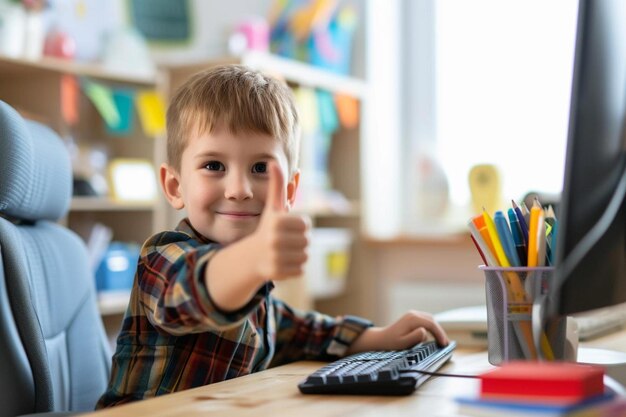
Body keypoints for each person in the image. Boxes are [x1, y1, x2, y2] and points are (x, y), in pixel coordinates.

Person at [96, 65, 449, 408]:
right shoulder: (162, 257)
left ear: (291, 189)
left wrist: (376, 337)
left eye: (261, 168)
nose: (239, 189)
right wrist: (253, 258)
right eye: (214, 166)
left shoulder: (255, 293)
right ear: (175, 186)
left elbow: (297, 330)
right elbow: (193, 291)